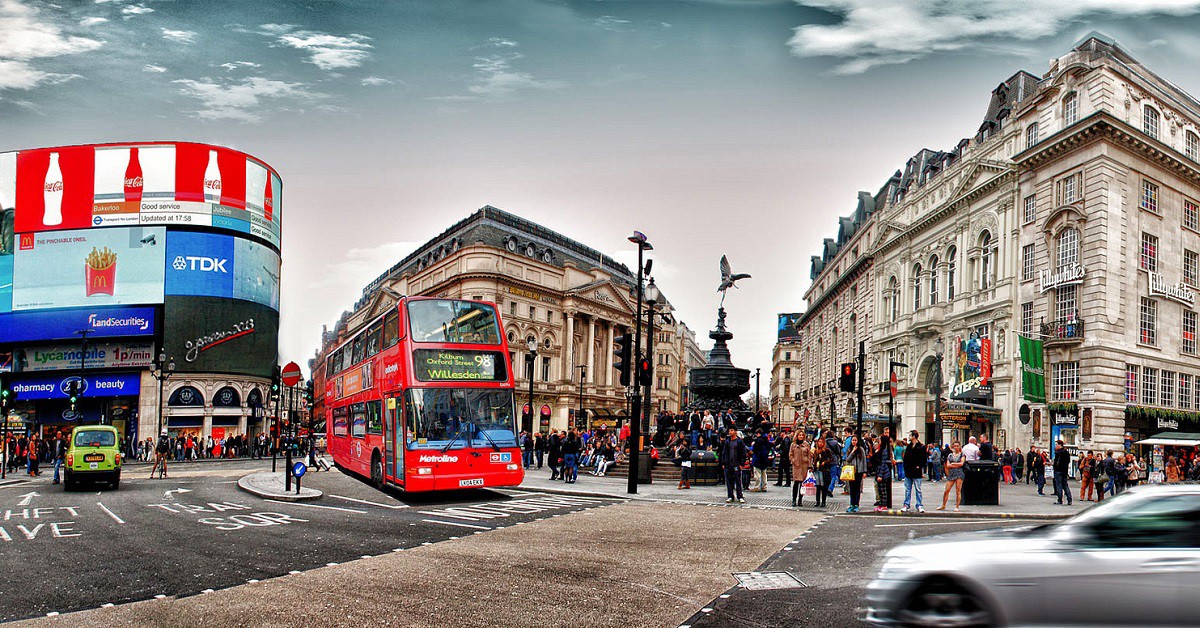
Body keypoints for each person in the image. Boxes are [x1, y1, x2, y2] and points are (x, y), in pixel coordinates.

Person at [720, 427, 748, 504]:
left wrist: (742, 463)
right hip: (728, 464)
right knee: (729, 482)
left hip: (736, 464)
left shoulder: (740, 441)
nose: (730, 432)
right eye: (729, 430)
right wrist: (723, 463)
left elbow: (743, 453)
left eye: (732, 430)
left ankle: (740, 496)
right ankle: (730, 496)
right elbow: (724, 452)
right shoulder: (727, 441)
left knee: (738, 481)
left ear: (735, 432)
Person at [902, 431, 927, 513]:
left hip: (916, 471)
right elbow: (905, 458)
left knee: (918, 489)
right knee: (907, 489)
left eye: (910, 435)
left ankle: (919, 504)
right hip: (908, 471)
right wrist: (905, 467)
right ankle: (906, 504)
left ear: (914, 436)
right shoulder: (908, 447)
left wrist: (919, 466)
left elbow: (923, 459)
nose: (909, 437)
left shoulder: (921, 447)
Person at [938, 441, 966, 511]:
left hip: (959, 473)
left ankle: (957, 506)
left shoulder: (962, 454)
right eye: (955, 446)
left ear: (959, 447)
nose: (956, 447)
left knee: (958, 490)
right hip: (952, 473)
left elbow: (962, 463)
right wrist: (956, 464)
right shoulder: (950, 455)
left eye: (957, 446)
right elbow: (948, 465)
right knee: (947, 490)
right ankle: (943, 505)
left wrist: (953, 464)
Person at [844, 434, 869, 513]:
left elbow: (864, 461)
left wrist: (865, 471)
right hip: (851, 471)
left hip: (859, 471)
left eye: (855, 440)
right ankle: (852, 504)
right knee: (852, 489)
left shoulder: (861, 450)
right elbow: (847, 459)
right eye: (853, 440)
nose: (854, 442)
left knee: (857, 488)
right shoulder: (849, 449)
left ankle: (856, 505)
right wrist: (853, 452)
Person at [811, 437, 836, 508]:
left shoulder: (826, 450)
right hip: (817, 469)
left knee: (823, 486)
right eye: (819, 442)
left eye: (822, 442)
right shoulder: (816, 451)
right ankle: (817, 501)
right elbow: (814, 459)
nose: (820, 443)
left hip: (823, 470)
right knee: (818, 486)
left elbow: (831, 459)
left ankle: (823, 501)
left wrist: (825, 462)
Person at [789, 431, 811, 507]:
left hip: (804, 466)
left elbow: (809, 455)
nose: (801, 436)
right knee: (796, 483)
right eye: (799, 435)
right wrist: (793, 461)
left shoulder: (806, 444)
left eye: (802, 435)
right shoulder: (793, 445)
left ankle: (800, 500)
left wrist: (809, 465)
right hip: (796, 466)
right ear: (797, 436)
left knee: (802, 484)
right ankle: (794, 499)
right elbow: (790, 455)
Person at [872, 435, 893, 511]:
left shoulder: (884, 450)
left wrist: (880, 475)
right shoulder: (880, 449)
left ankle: (884, 504)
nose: (879, 441)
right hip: (879, 471)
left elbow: (883, 463)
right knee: (880, 489)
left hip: (883, 473)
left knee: (883, 490)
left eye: (880, 440)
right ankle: (881, 503)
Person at [1052, 440, 1073, 506]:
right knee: (1065, 485)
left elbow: (1056, 463)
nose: (1056, 446)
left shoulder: (1058, 453)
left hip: (1058, 471)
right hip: (1064, 471)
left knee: (1059, 485)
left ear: (1059, 445)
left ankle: (1060, 500)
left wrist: (1054, 466)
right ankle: (1069, 500)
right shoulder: (1066, 452)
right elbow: (1068, 461)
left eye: (1056, 444)